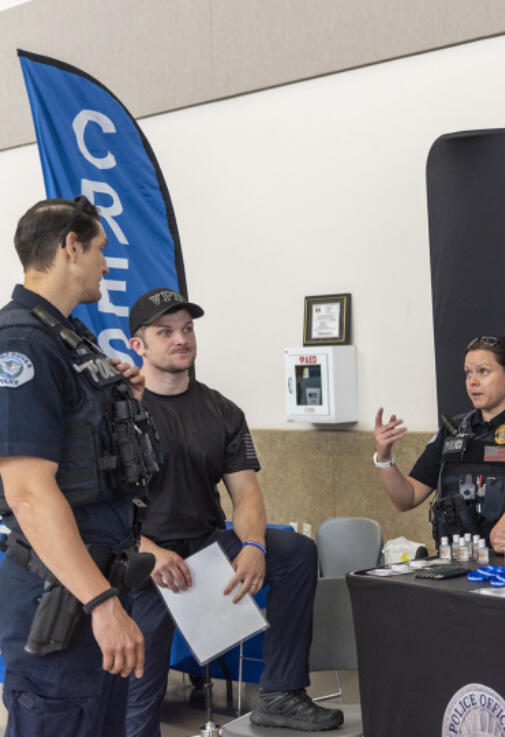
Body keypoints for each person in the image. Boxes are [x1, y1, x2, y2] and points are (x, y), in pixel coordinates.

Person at [123, 288, 343, 734]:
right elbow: (97, 507)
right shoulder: (119, 409)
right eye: (165, 332)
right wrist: (148, 551)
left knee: (295, 551)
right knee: (137, 708)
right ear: (138, 345)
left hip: (206, 547)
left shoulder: (221, 410)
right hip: (141, 558)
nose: (181, 339)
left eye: (187, 329)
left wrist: (254, 544)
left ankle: (280, 693)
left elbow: (246, 494)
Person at [0, 196, 158, 737]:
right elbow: (30, 494)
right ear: (71, 247)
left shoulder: (70, 338)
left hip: (95, 585)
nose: (106, 265)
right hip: (63, 600)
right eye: (100, 250)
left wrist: (119, 398)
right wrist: (102, 603)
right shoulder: (21, 344)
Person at [374, 335, 505, 553]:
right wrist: (384, 459)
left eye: (483, 371)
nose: (473, 381)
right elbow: (407, 497)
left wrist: (501, 530)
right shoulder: (452, 431)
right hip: (455, 563)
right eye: (468, 373)